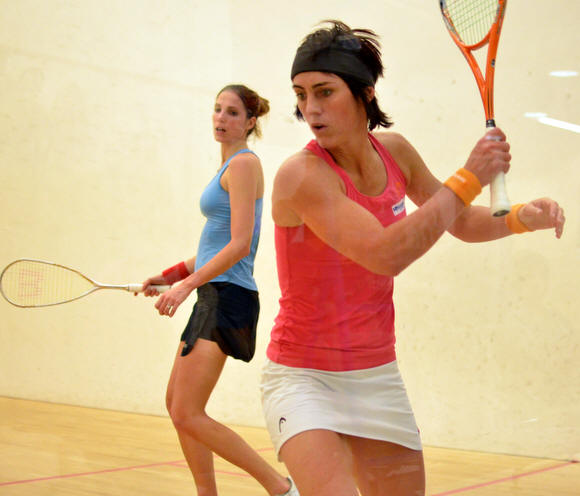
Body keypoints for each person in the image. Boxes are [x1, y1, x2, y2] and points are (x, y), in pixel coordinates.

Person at [260, 20, 565, 496]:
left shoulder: (395, 152)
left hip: (376, 375)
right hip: (304, 378)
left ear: (365, 93)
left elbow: (458, 222)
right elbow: (386, 254)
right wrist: (469, 177)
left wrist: (521, 217)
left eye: (324, 92)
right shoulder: (301, 175)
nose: (310, 109)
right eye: (301, 95)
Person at [141, 84, 298, 496]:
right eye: (217, 109)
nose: (221, 118)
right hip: (213, 293)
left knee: (187, 411)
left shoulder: (244, 165)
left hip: (229, 296)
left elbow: (240, 244)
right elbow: (214, 245)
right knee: (177, 406)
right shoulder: (227, 167)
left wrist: (184, 286)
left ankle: (281, 488)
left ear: (249, 122)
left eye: (232, 113)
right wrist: (170, 275)